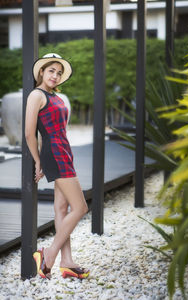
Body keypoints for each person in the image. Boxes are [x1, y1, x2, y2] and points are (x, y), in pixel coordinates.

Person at [25, 53, 89, 280]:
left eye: (59, 73)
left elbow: (60, 129)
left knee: (62, 209)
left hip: (64, 152)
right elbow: (29, 133)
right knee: (80, 208)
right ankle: (48, 256)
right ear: (41, 72)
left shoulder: (56, 97)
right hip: (54, 155)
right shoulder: (36, 95)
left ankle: (67, 262)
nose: (55, 75)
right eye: (51, 70)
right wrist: (38, 161)